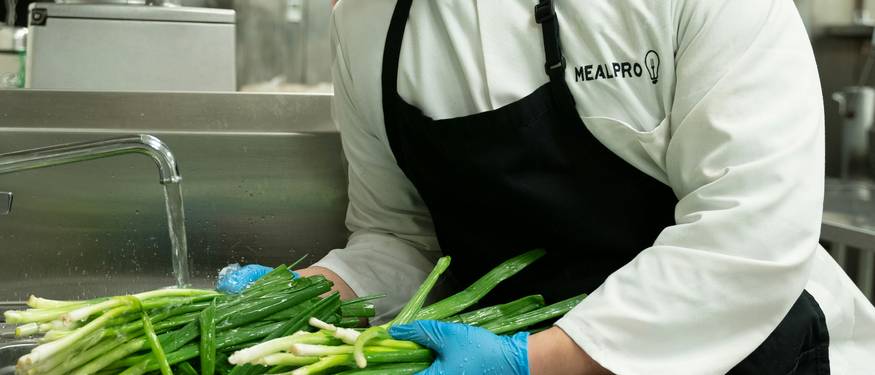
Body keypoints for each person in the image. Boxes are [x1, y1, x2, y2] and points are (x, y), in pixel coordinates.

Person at [220, 0, 875, 373]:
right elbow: (400, 234)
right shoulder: (365, 20)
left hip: (742, 353)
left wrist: (535, 362)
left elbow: (748, 234)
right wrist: (314, 295)